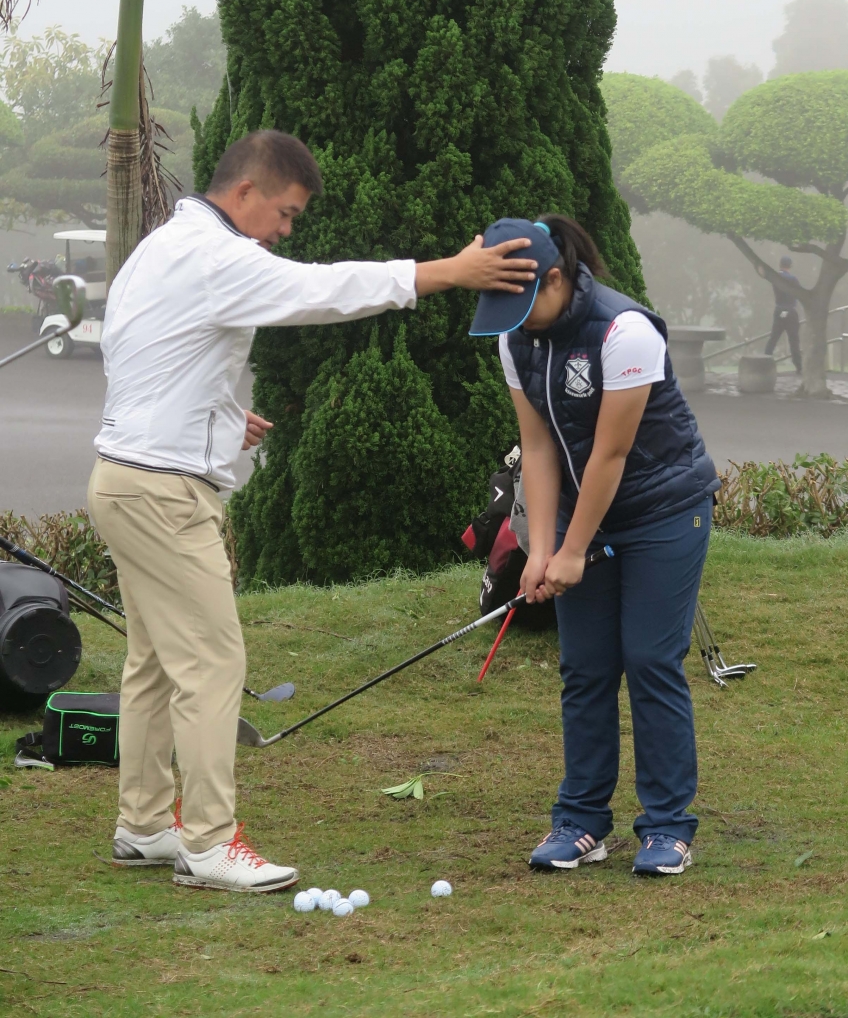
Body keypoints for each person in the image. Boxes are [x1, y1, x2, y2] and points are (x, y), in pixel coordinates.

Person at [88, 130, 538, 894]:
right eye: (286, 214)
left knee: (158, 662)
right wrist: (449, 274)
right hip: (162, 492)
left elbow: (141, 353)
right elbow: (322, 290)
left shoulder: (165, 246)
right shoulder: (218, 255)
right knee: (213, 661)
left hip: (127, 479)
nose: (287, 232)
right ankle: (207, 844)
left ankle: (144, 826)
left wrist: (219, 412)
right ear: (246, 194)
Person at [470, 215, 719, 876]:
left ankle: (667, 827)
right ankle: (581, 820)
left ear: (555, 278)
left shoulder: (624, 331)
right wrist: (542, 550)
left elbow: (609, 455)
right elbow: (540, 448)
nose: (516, 322)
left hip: (664, 512)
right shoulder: (515, 341)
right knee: (583, 666)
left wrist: (573, 552)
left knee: (650, 658)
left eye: (523, 306)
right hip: (586, 518)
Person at [761, 256, 802, 373]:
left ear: (780, 264)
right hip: (790, 310)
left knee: (773, 338)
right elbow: (798, 293)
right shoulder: (793, 279)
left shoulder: (775, 277)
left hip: (779, 309)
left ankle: (764, 362)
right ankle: (799, 366)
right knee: (794, 339)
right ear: (790, 265)